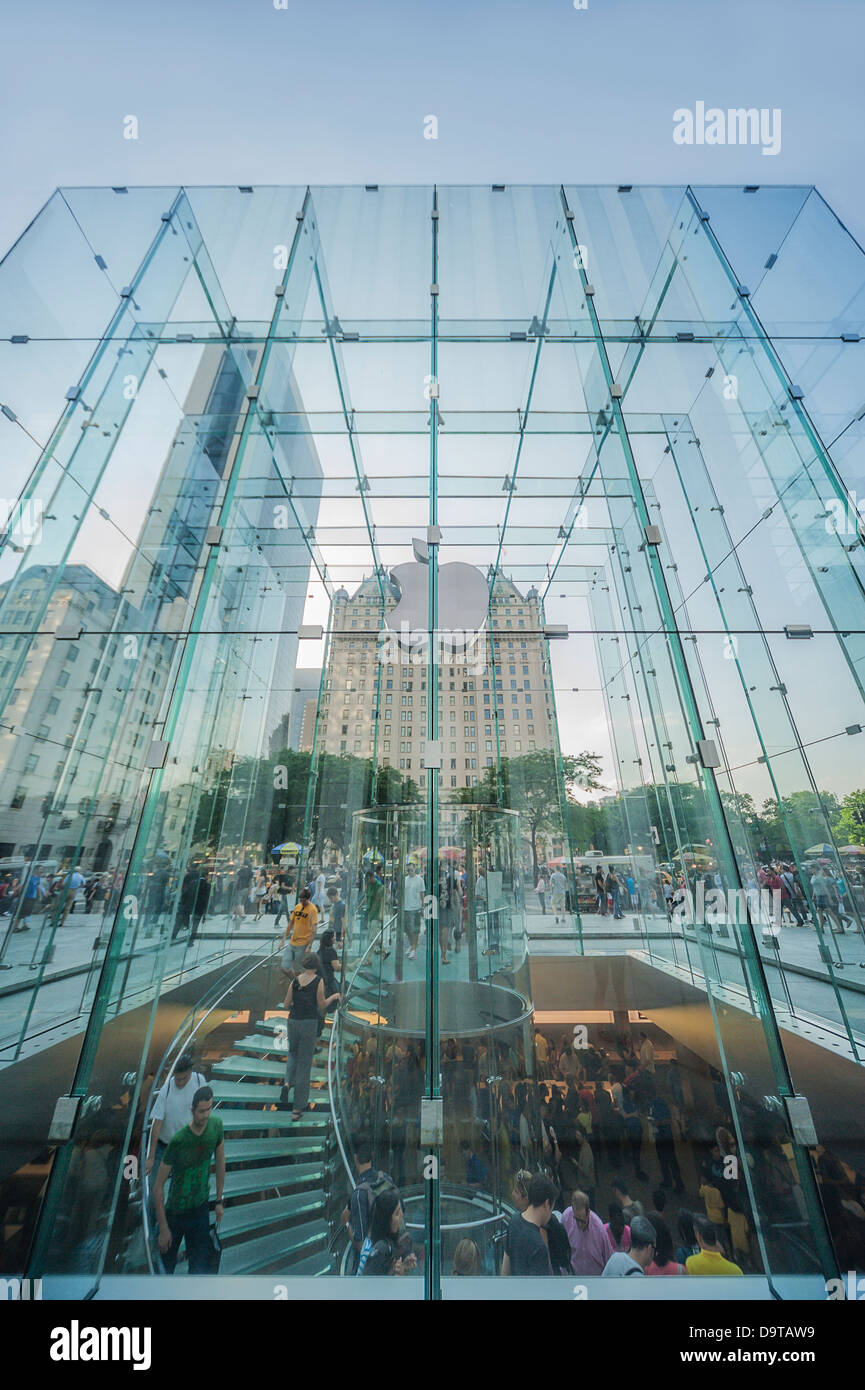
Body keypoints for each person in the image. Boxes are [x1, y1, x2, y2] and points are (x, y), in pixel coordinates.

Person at [153, 1086, 225, 1275]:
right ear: (192, 1110)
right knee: (165, 1268)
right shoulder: (179, 1140)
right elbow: (158, 1186)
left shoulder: (216, 1126)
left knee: (199, 1268)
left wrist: (219, 1200)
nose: (206, 1115)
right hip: (175, 1213)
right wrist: (163, 1227)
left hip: (199, 1210)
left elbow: (220, 1160)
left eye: (209, 1109)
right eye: (202, 1111)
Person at [281, 952, 339, 1119]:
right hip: (308, 1023)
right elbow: (322, 1006)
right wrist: (335, 996)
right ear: (316, 966)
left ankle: (286, 1083)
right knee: (305, 1064)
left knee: (292, 1053)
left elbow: (286, 1004)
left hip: (292, 1021)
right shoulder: (318, 981)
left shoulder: (295, 980)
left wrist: (297, 1002)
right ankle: (297, 1109)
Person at [145, 1052, 206, 1181]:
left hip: (186, 1147)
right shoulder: (166, 1090)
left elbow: (204, 1113)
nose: (180, 1082)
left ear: (190, 1072)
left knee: (178, 1189)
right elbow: (156, 1125)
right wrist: (150, 1156)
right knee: (154, 1186)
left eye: (184, 1078)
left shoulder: (200, 1081)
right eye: (177, 1079)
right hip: (164, 1147)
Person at [344, 1141, 396, 1273]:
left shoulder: (359, 1194)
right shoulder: (386, 1180)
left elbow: (361, 1246)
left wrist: (346, 1224)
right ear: (372, 1156)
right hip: (391, 1259)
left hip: (371, 1269)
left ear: (355, 1158)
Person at [501, 1173, 557, 1275]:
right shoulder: (539, 1247)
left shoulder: (514, 1221)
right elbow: (538, 1289)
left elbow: (505, 1269)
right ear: (547, 1203)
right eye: (552, 1208)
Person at [357, 1189, 417, 1276]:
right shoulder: (378, 1249)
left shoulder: (387, 1244)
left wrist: (403, 1266)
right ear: (386, 1219)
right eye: (397, 1213)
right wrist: (398, 1274)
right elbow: (374, 1285)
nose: (401, 1216)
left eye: (401, 1211)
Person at [561, 1190, 614, 1276]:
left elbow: (609, 1259)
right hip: (574, 1277)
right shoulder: (566, 1218)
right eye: (576, 1220)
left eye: (582, 1221)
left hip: (595, 1279)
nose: (579, 1224)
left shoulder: (599, 1229)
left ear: (588, 1212)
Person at [280, 888, 318, 974]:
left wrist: (309, 945)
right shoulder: (297, 907)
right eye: (300, 900)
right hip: (292, 942)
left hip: (303, 944)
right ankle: (294, 981)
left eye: (304, 900)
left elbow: (314, 929)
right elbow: (290, 924)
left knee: (298, 969)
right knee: (284, 967)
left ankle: (299, 984)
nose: (302, 902)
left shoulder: (312, 909)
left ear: (308, 899)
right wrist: (283, 939)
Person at [403, 865, 425, 961]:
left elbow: (422, 893)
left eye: (411, 870)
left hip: (416, 908)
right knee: (408, 930)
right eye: (408, 870)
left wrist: (423, 906)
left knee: (415, 929)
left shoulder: (420, 880)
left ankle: (414, 949)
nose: (409, 871)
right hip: (406, 908)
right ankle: (412, 945)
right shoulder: (405, 880)